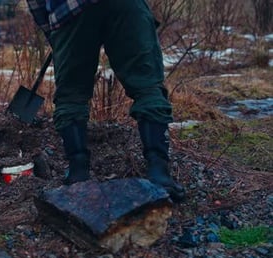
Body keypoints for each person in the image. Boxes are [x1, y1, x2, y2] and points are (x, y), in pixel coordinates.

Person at [26, 0, 185, 200]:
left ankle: (78, 173)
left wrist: (53, 30)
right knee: (147, 86)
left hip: (69, 10)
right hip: (125, 7)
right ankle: (159, 173)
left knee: (71, 95)